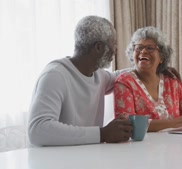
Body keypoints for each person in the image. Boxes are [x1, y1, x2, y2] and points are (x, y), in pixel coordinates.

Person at [28, 15, 133, 146]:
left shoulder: (98, 75)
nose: (116, 50)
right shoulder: (55, 76)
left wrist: (156, 68)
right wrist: (102, 134)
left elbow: (120, 76)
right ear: (98, 48)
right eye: (113, 43)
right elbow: (38, 130)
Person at [114, 26, 182, 132]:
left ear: (162, 57)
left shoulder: (172, 81)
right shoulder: (125, 82)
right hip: (140, 147)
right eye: (139, 47)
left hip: (177, 144)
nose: (143, 51)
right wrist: (174, 123)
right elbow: (127, 123)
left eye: (150, 48)